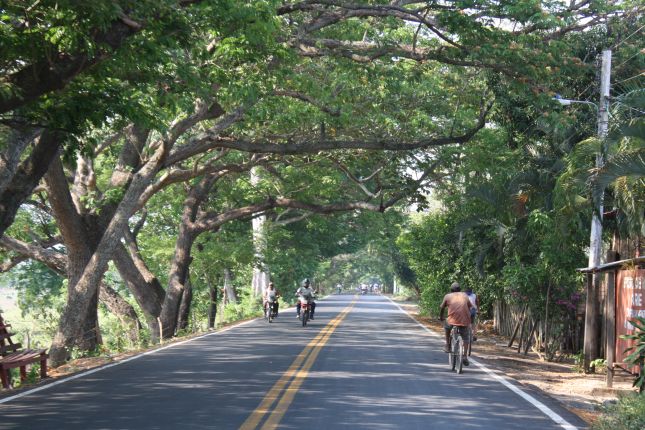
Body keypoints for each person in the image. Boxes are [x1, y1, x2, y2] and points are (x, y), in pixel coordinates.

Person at [439, 282, 472, 366]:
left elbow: (442, 308)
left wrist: (441, 317)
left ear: (451, 290)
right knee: (466, 337)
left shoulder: (447, 296)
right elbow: (469, 307)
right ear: (460, 289)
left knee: (447, 327)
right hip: (464, 320)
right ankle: (464, 356)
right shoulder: (465, 295)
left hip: (452, 320)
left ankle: (447, 345)